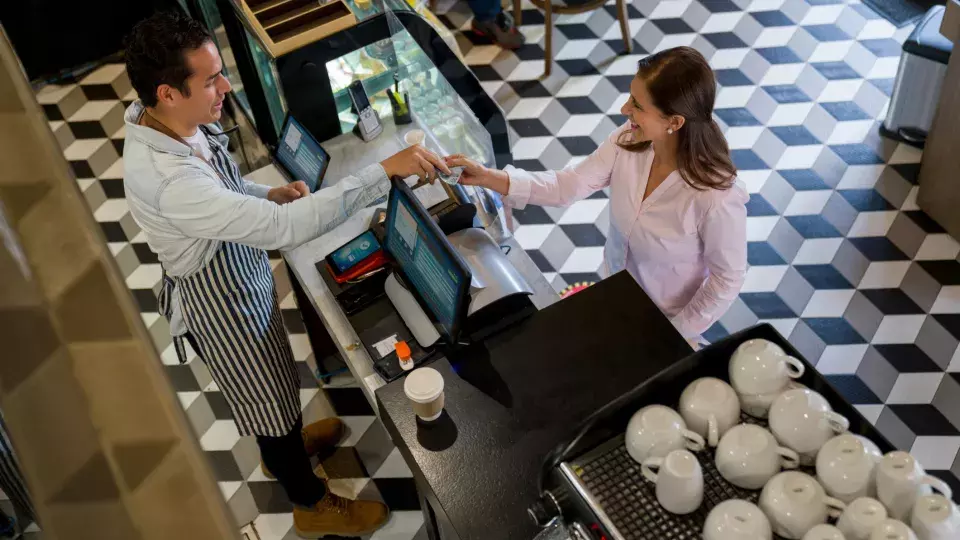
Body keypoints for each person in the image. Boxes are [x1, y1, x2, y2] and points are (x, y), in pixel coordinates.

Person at [122, 11, 450, 538]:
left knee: (274, 384)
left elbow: (225, 193)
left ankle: (286, 450)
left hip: (237, 274)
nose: (225, 87)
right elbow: (283, 229)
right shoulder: (168, 179)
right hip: (219, 299)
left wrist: (264, 191)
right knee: (265, 399)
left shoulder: (159, 117)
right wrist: (382, 171)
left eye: (220, 71)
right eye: (210, 81)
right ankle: (308, 500)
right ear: (167, 92)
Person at [447, 46, 748, 346]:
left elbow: (726, 279)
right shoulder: (629, 140)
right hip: (614, 293)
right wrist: (488, 176)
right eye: (631, 97)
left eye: (638, 105)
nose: (624, 110)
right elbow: (568, 185)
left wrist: (672, 331)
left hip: (667, 322)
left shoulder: (716, 196)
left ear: (675, 122)